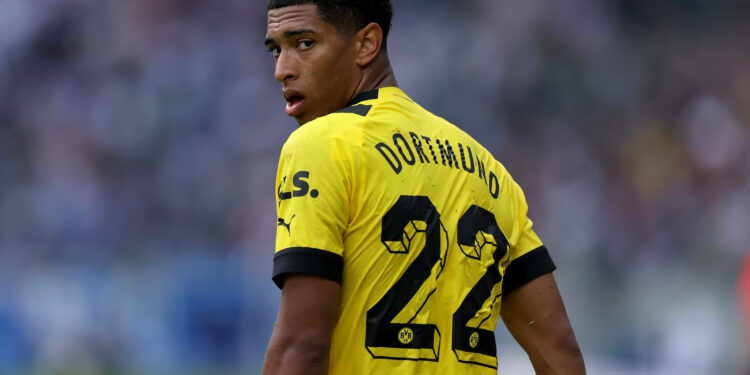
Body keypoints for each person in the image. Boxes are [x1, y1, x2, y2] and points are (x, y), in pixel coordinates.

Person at [261, 1, 586, 374]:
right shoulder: (487, 169)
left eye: (303, 43)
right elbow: (560, 350)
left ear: (366, 44)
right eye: (275, 50)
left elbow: (302, 347)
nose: (281, 70)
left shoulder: (323, 144)